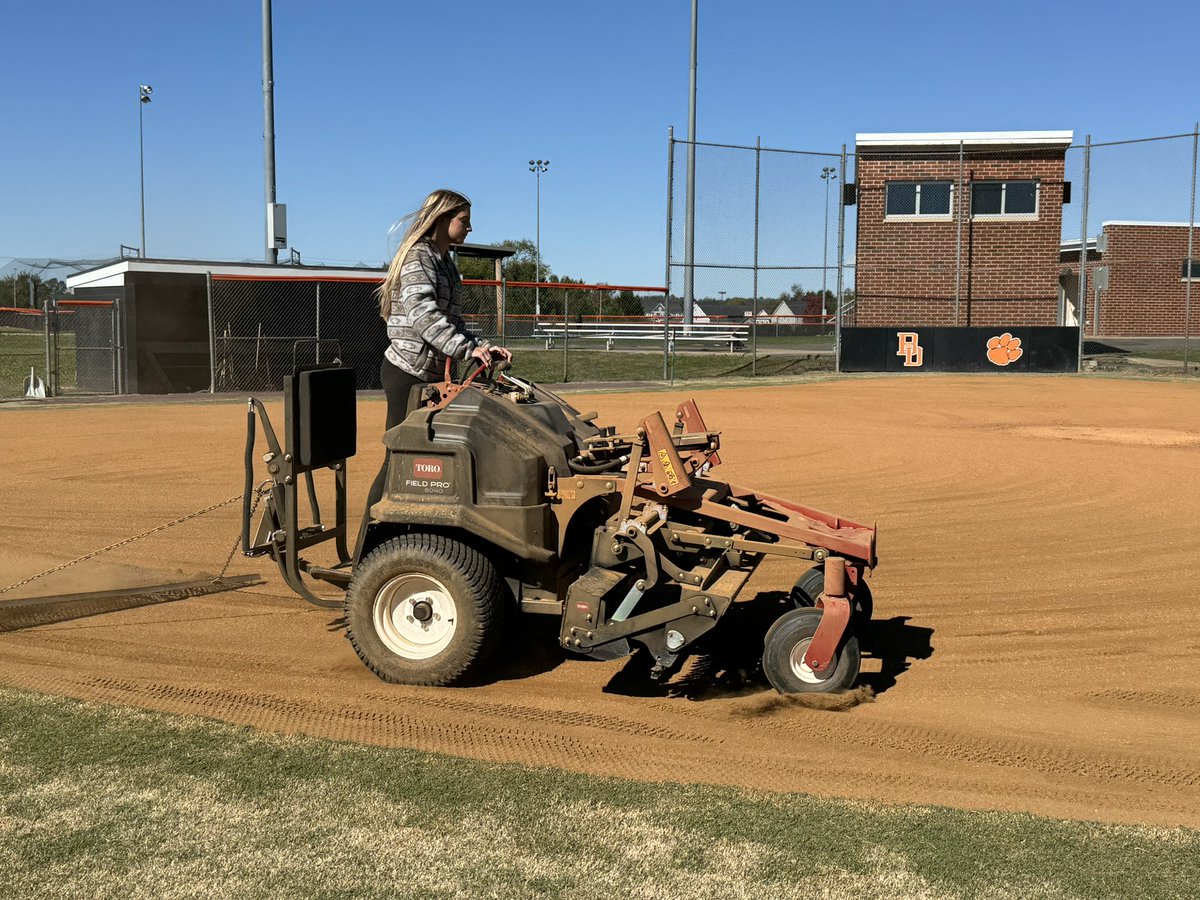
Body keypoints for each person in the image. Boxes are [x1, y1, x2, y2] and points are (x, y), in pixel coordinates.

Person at [364, 189, 512, 516]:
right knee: (399, 458)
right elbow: (425, 317)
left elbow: (452, 320)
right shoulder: (419, 256)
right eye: (464, 221)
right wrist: (466, 349)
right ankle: (369, 547)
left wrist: (480, 347)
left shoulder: (444, 262)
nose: (470, 228)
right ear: (443, 219)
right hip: (407, 373)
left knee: (430, 454)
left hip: (429, 376)